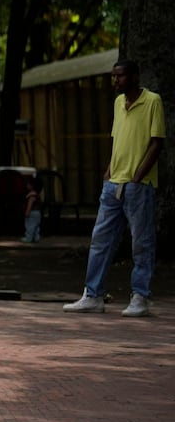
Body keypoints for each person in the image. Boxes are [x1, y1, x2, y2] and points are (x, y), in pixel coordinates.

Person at [64, 59, 164, 317]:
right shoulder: (119, 103)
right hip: (114, 184)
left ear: (134, 76)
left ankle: (140, 296)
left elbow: (156, 143)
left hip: (139, 185)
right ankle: (93, 294)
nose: (115, 81)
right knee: (100, 240)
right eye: (114, 76)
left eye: (120, 76)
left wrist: (138, 176)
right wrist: (109, 171)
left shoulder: (153, 101)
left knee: (141, 243)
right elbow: (118, 139)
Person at [22, 175, 43, 244]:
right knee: (36, 226)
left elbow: (30, 204)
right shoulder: (37, 194)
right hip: (38, 213)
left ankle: (28, 238)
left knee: (29, 226)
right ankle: (36, 237)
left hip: (32, 213)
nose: (27, 185)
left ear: (32, 186)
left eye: (28, 184)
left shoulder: (32, 195)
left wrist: (27, 212)